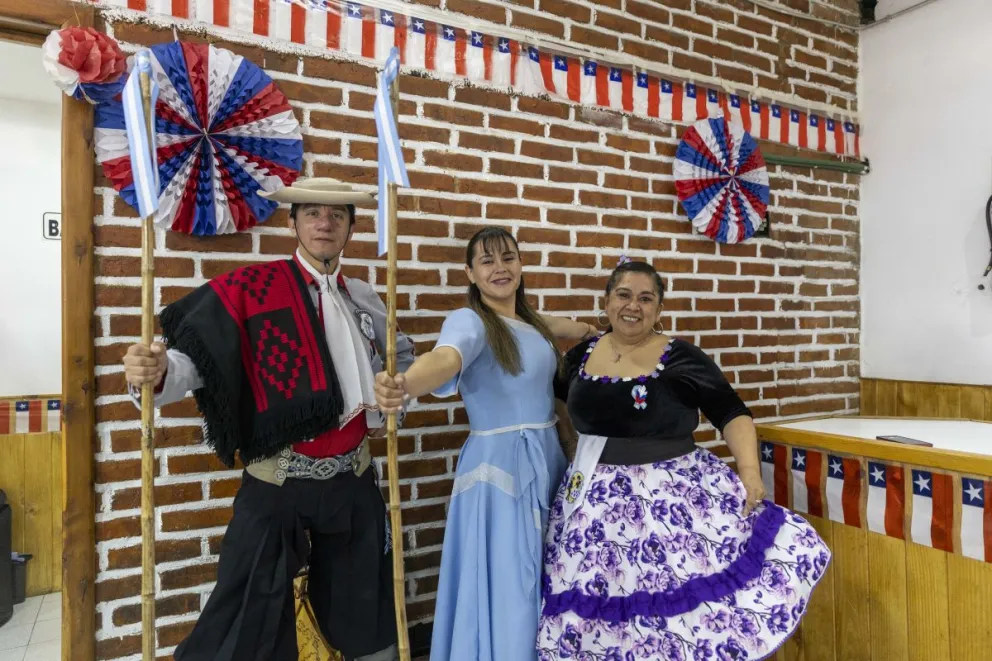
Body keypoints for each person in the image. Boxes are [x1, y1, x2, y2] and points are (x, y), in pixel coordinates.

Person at [122, 178, 414, 661]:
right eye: (313, 213)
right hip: (275, 482)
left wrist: (398, 393)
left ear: (351, 228)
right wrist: (156, 373)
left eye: (338, 215)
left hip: (353, 481)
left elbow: (399, 369)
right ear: (292, 221)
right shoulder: (252, 291)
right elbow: (200, 364)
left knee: (367, 617)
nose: (325, 223)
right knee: (244, 624)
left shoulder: (367, 298)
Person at [538, 258, 831, 661]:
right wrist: (570, 446)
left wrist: (748, 472)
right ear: (606, 303)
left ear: (659, 310)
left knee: (676, 615)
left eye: (646, 298)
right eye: (623, 295)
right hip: (594, 504)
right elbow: (559, 400)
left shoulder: (680, 357)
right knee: (605, 610)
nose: (633, 306)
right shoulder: (580, 356)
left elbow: (732, 413)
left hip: (670, 500)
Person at [373, 226, 598, 661]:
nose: (500, 267)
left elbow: (560, 327)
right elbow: (446, 357)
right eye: (487, 261)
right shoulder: (471, 321)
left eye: (508, 257)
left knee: (545, 569)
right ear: (470, 274)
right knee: (513, 575)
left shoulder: (529, 321)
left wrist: (594, 329)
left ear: (520, 265)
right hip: (501, 470)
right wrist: (404, 384)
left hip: (546, 459)